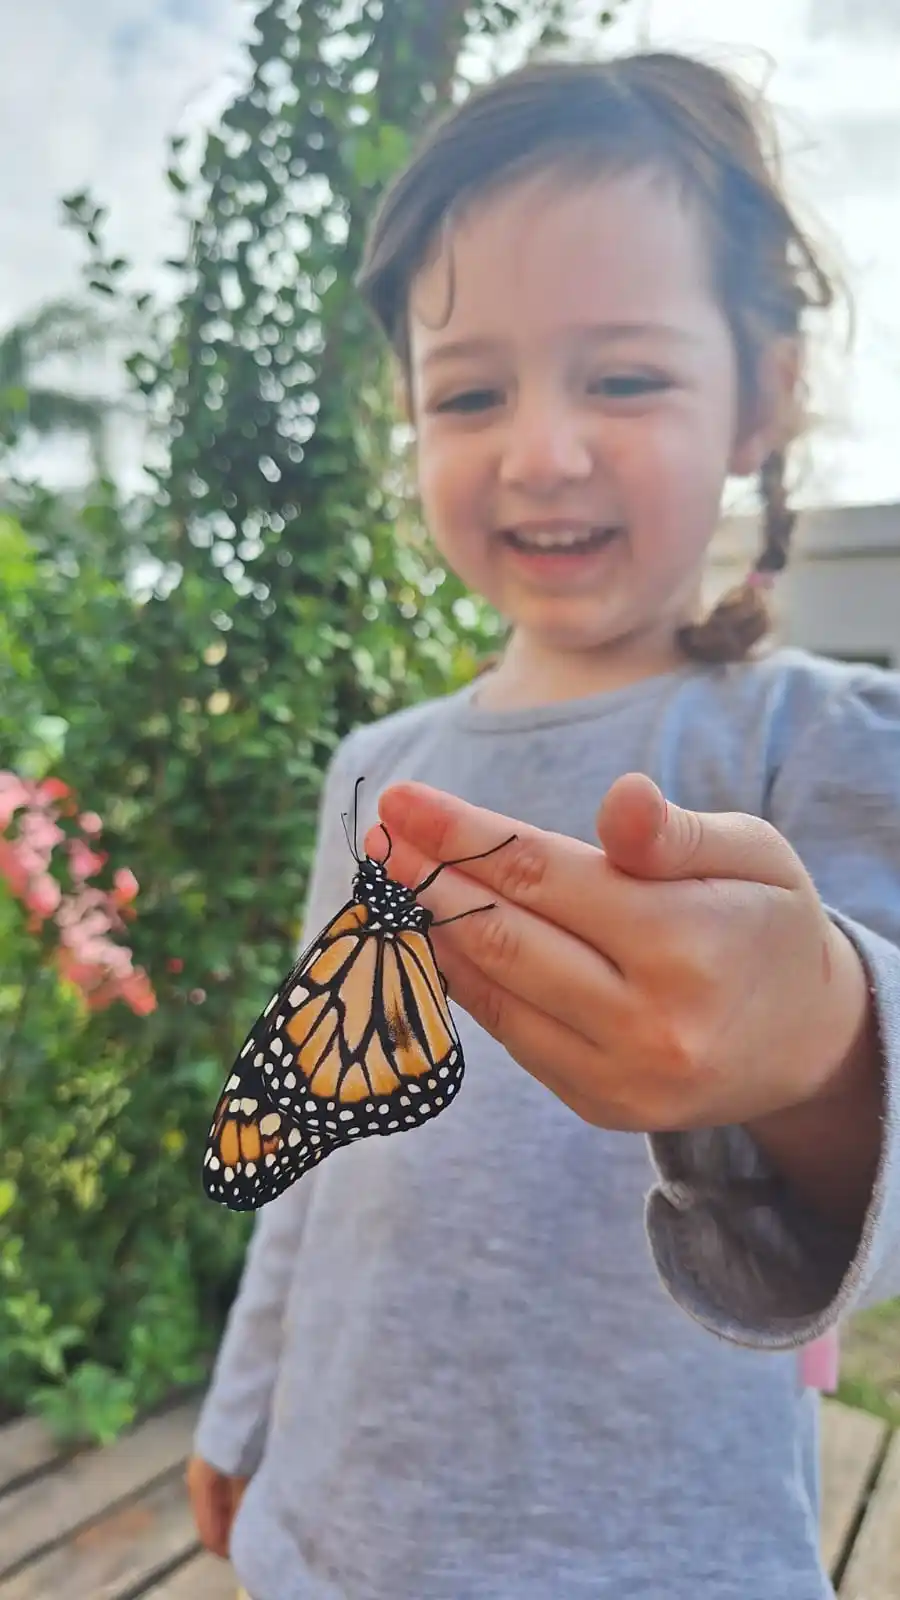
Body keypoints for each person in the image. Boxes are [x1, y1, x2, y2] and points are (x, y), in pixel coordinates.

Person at [186, 50, 900, 1600]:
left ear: (761, 396)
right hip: (333, 1530)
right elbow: (310, 1133)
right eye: (470, 393)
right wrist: (242, 1414)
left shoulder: (810, 742)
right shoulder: (376, 769)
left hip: (660, 1557)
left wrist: (830, 1042)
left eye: (625, 376)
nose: (544, 451)